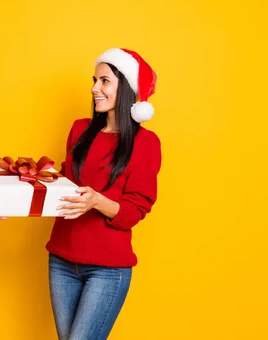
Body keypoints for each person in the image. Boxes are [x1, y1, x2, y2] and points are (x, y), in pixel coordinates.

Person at [45, 48, 162, 340]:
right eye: (95, 80)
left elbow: (135, 210)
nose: (95, 88)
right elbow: (66, 184)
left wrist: (97, 201)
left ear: (126, 88)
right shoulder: (79, 129)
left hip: (108, 270)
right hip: (61, 259)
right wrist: (38, 178)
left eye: (105, 81)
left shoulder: (146, 143)